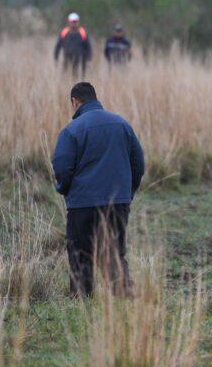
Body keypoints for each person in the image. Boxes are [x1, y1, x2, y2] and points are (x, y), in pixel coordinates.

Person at [51, 82, 145, 297]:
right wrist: (126, 193)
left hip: (82, 204)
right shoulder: (122, 124)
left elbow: (62, 168)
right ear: (95, 98)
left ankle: (82, 301)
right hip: (117, 203)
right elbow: (138, 164)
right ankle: (124, 300)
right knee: (114, 252)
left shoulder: (71, 130)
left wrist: (65, 190)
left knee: (80, 253)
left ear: (75, 101)